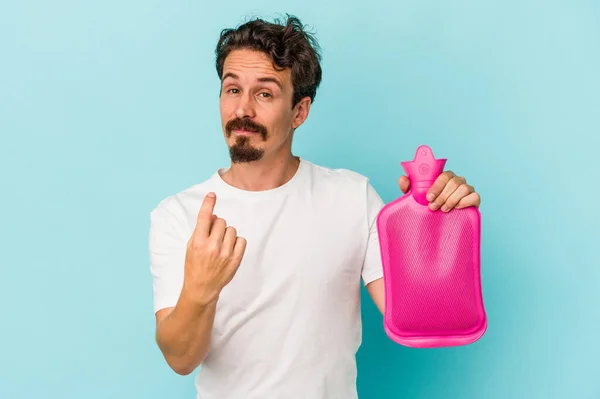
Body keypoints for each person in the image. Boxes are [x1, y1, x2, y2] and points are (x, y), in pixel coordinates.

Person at [148, 14, 481, 399]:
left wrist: (439, 223)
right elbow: (180, 358)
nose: (242, 110)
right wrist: (201, 290)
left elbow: (419, 318)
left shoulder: (351, 198)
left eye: (265, 94)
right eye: (232, 90)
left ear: (299, 111)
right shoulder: (179, 215)